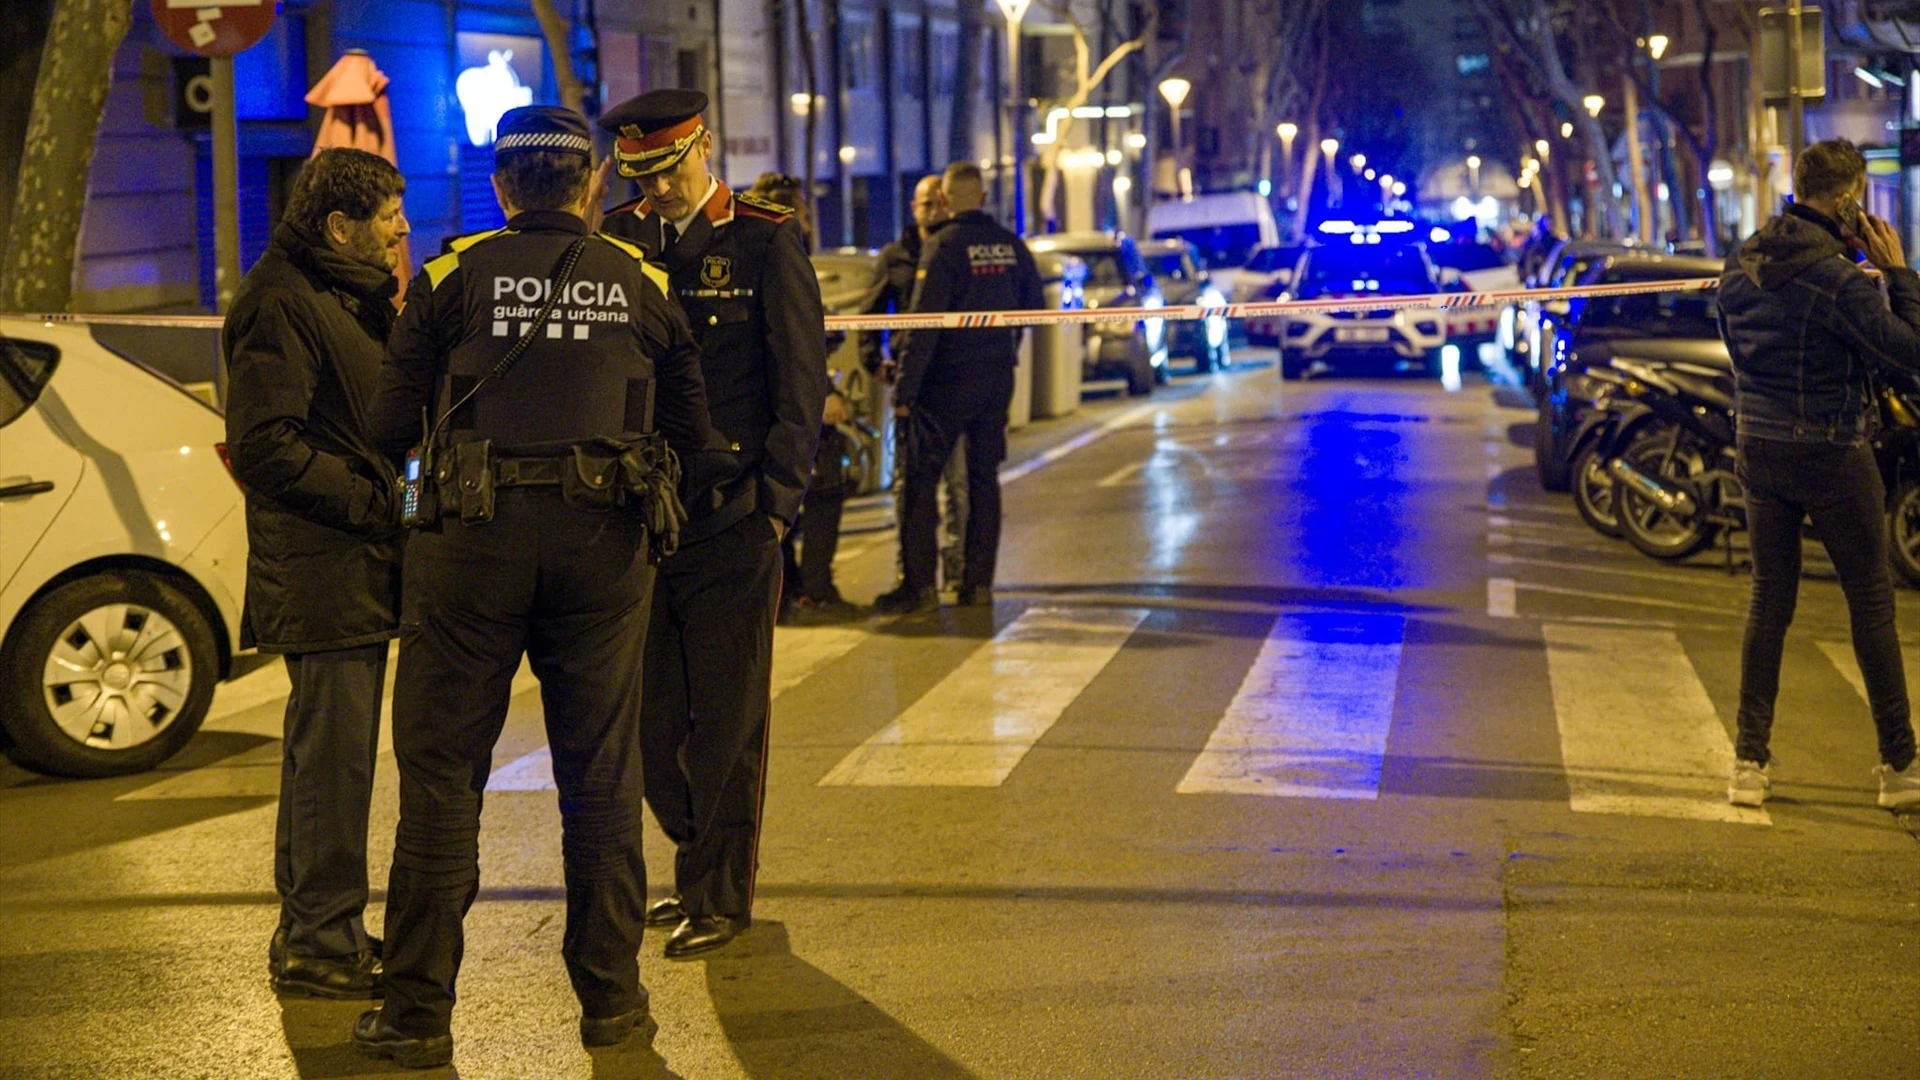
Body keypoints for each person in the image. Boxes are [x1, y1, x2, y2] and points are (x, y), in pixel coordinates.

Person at [351, 106, 716, 1068]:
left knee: (440, 782)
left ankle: (418, 1014)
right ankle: (615, 1009)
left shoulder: (446, 275)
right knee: (599, 781)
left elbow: (388, 427)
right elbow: (690, 425)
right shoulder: (640, 281)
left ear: (502, 186)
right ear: (592, 183)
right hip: (603, 547)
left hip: (469, 545)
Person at [597, 90, 829, 957]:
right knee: (655, 722)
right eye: (640, 176)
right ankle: (693, 856)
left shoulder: (763, 239)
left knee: (728, 722)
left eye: (664, 170)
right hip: (642, 520)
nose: (654, 190)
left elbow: (798, 384)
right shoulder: (619, 241)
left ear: (701, 149)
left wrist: (776, 508)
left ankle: (718, 894)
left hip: (733, 518)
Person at [223, 147, 408, 1001]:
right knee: (333, 767)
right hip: (327, 565)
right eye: (388, 217)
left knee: (322, 762)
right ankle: (323, 944)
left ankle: (311, 929)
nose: (403, 229)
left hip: (343, 565)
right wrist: (378, 503)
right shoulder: (283, 300)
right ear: (340, 226)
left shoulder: (333, 293)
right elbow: (265, 444)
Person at [1716, 138, 1920, 810]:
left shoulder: (1741, 260)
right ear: (1848, 199)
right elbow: (1907, 351)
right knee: (1869, 601)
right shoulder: (1834, 278)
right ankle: (1899, 768)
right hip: (1831, 449)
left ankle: (1749, 762)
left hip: (1758, 444)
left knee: (1769, 603)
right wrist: (1897, 273)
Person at [874, 161, 1043, 614]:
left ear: (946, 200)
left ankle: (920, 586)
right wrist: (1006, 349)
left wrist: (906, 393)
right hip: (995, 380)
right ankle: (977, 583)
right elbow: (1035, 308)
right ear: (983, 197)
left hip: (943, 386)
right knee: (983, 480)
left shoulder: (944, 247)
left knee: (919, 483)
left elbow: (923, 326)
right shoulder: (1010, 245)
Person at [745, 172, 860, 625]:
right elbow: (796, 345)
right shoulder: (783, 252)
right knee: (823, 484)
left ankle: (789, 589)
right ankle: (813, 589)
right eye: (805, 211)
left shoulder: (746, 248)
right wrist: (824, 397)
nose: (810, 221)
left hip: (758, 404)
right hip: (789, 403)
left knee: (776, 496)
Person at [869, 175, 970, 592]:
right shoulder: (896, 256)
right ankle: (909, 570)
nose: (932, 210)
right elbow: (870, 313)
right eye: (924, 203)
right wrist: (875, 362)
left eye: (938, 203)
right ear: (913, 208)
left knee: (959, 486)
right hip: (913, 389)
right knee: (908, 490)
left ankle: (957, 569)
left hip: (955, 384)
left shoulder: (955, 249)